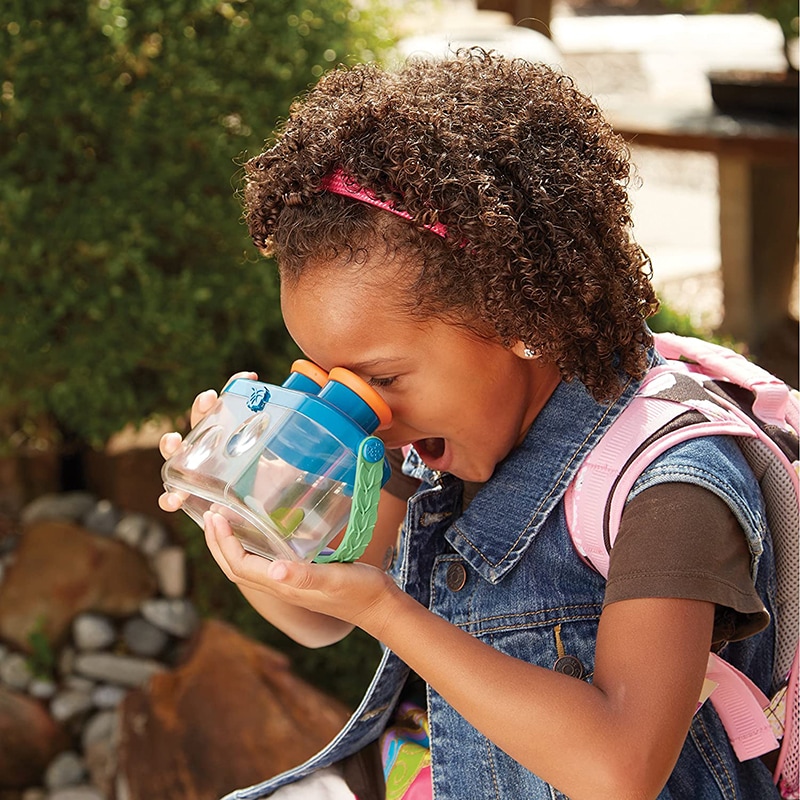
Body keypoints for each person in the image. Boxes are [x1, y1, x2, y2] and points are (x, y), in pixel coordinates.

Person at [159, 49, 778, 800]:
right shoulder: (423, 443)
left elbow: (622, 767)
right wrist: (240, 508)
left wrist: (390, 612)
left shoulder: (668, 484)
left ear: (523, 318)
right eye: (328, 379)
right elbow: (317, 613)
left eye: (380, 379)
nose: (367, 415)